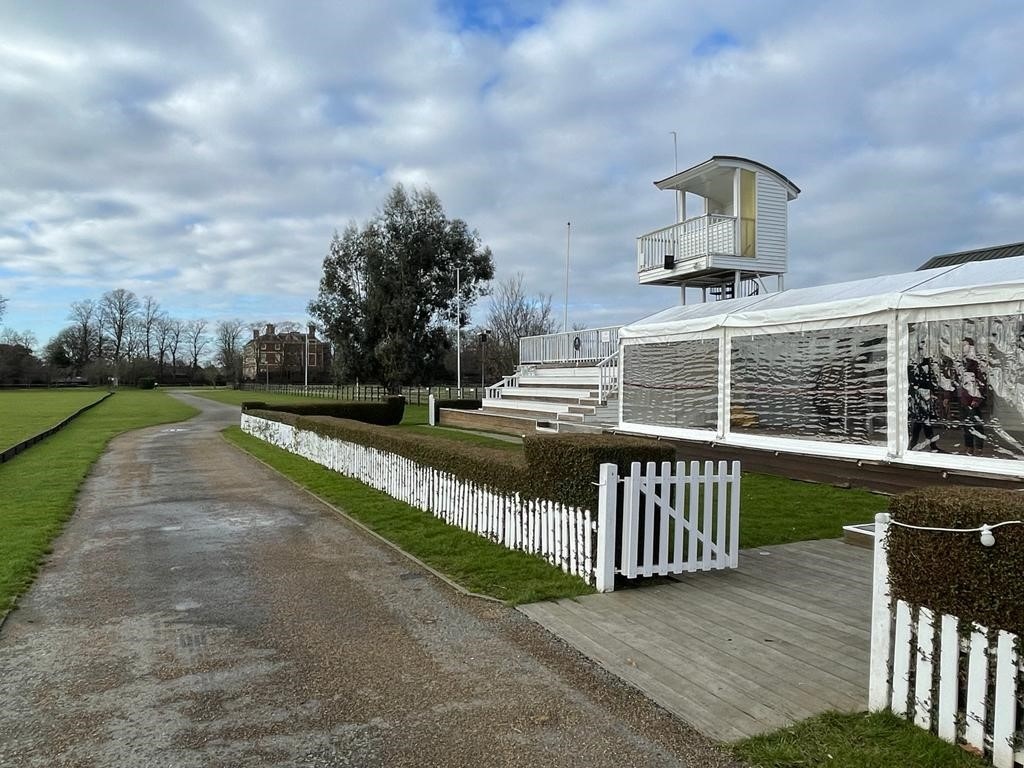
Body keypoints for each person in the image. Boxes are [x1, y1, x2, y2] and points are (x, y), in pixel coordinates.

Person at [908, 357, 939, 451]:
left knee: (923, 423)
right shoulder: (919, 370)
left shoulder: (927, 371)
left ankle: (915, 443)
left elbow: (932, 384)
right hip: (921, 398)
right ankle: (915, 443)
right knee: (922, 423)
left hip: (924, 398)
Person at [959, 355, 987, 455]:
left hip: (972, 402)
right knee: (967, 426)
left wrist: (976, 399)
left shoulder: (975, 368)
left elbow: (980, 386)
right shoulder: (963, 367)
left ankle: (978, 447)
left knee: (976, 425)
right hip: (965, 401)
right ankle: (970, 447)